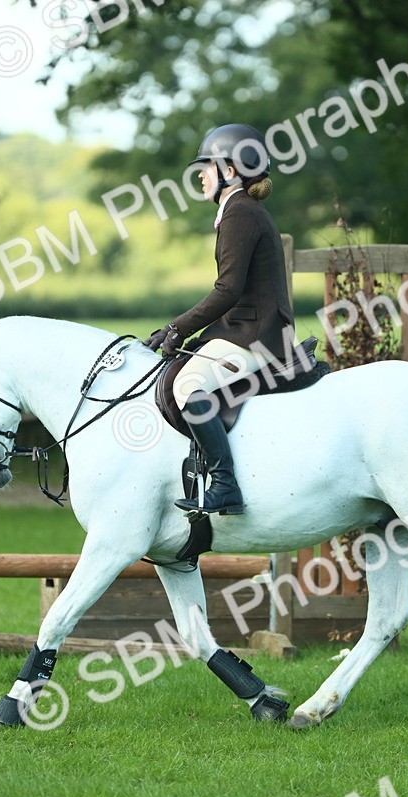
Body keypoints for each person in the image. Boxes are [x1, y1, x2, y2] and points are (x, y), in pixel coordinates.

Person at [143, 123, 295, 516]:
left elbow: (226, 290)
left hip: (258, 337)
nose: (199, 173)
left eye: (206, 166)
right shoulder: (241, 210)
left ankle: (225, 483)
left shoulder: (240, 213)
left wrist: (177, 328)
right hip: (246, 330)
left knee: (189, 383)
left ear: (230, 171)